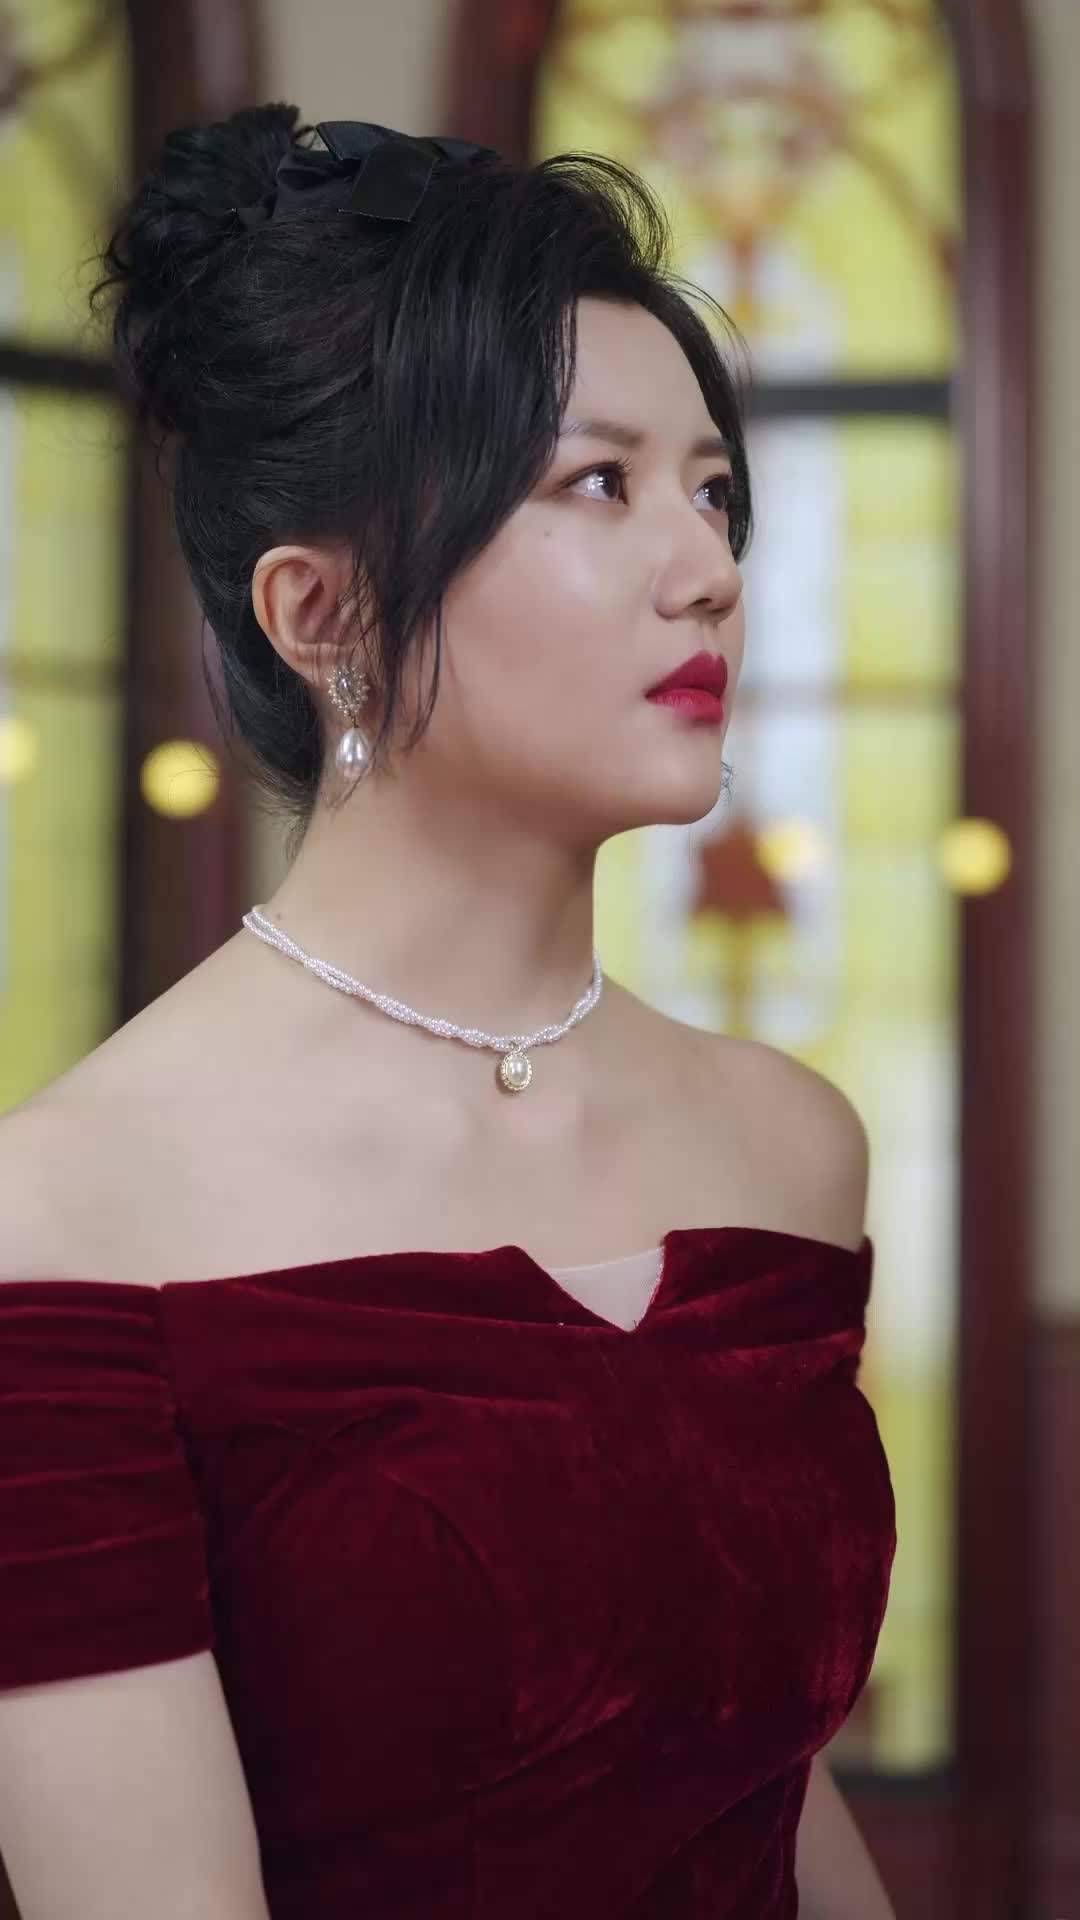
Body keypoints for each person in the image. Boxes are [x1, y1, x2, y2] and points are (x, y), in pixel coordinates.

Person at [0, 109, 896, 1919]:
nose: (711, 567)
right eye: (600, 485)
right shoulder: (63, 1221)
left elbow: (763, 1795)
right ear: (321, 612)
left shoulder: (789, 1147)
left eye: (713, 490)